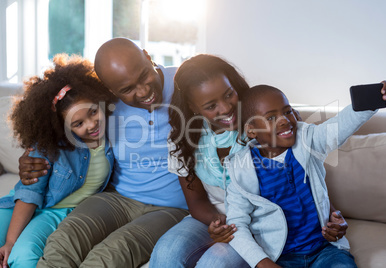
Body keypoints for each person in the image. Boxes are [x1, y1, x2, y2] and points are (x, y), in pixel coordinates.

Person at [150, 54, 349, 267]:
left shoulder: (268, 123)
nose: (225, 108)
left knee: (215, 263)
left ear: (235, 86)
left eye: (229, 95)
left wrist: (331, 214)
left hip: (260, 222)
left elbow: (304, 177)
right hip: (214, 219)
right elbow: (196, 201)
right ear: (192, 106)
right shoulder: (183, 139)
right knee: (165, 253)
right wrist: (220, 224)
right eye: (210, 105)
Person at [18, 38, 189, 268]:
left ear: (148, 57)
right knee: (64, 240)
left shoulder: (185, 83)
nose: (144, 91)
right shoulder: (104, 104)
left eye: (143, 76)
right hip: (117, 198)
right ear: (112, 91)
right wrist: (31, 155)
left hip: (170, 209)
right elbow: (60, 127)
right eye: (127, 89)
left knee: (111, 254)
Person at [224, 83, 386, 268]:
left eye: (287, 111)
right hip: (279, 257)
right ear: (251, 130)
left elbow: (336, 128)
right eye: (271, 117)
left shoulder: (307, 140)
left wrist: (370, 102)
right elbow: (237, 225)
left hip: (324, 250)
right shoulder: (240, 170)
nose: (284, 120)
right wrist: (263, 263)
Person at [0, 54, 116, 268]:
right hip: (25, 203)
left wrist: (12, 244)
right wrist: (9, 240)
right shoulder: (50, 146)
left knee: (22, 257)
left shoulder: (115, 137)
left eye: (93, 112)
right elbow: (30, 194)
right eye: (78, 123)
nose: (91, 125)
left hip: (59, 211)